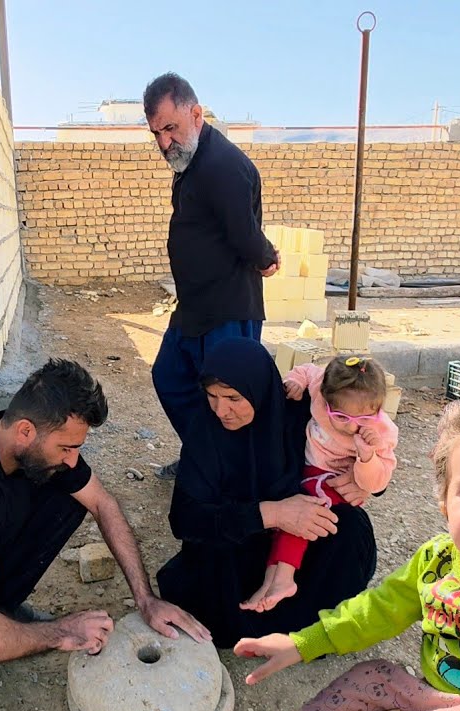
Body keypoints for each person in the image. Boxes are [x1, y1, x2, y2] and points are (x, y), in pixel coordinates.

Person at [0, 358, 209, 711]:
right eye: (66, 447)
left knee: (67, 498)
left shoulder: (20, 440)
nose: (73, 460)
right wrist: (61, 632)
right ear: (26, 431)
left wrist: (146, 598)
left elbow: (103, 504)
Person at [235, 398, 460, 711]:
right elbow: (378, 610)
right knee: (374, 674)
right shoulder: (436, 561)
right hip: (435, 698)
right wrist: (302, 643)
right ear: (445, 507)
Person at [156, 338, 377, 649]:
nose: (222, 410)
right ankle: (258, 627)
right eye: (212, 396)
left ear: (259, 389)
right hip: (239, 544)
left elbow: (360, 424)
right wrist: (274, 513)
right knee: (212, 551)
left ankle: (305, 630)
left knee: (349, 525)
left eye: (233, 398)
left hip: (292, 551)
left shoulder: (296, 413)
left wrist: (362, 480)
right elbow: (185, 519)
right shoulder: (205, 433)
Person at [142, 72, 281, 480]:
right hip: (195, 307)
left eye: (171, 128)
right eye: (157, 133)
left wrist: (266, 257)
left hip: (228, 309)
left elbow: (244, 233)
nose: (165, 142)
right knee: (170, 377)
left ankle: (234, 476)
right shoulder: (190, 159)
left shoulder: (223, 165)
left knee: (231, 399)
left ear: (196, 114)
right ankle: (206, 456)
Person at [242, 355, 398, 613]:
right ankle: (272, 578)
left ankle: (284, 578)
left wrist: (367, 456)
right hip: (307, 471)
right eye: (341, 417)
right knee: (289, 513)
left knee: (307, 511)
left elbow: (378, 480)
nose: (351, 427)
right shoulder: (319, 388)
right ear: (325, 398)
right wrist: (294, 381)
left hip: (335, 481)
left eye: (364, 418)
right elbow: (308, 370)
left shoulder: (379, 431)